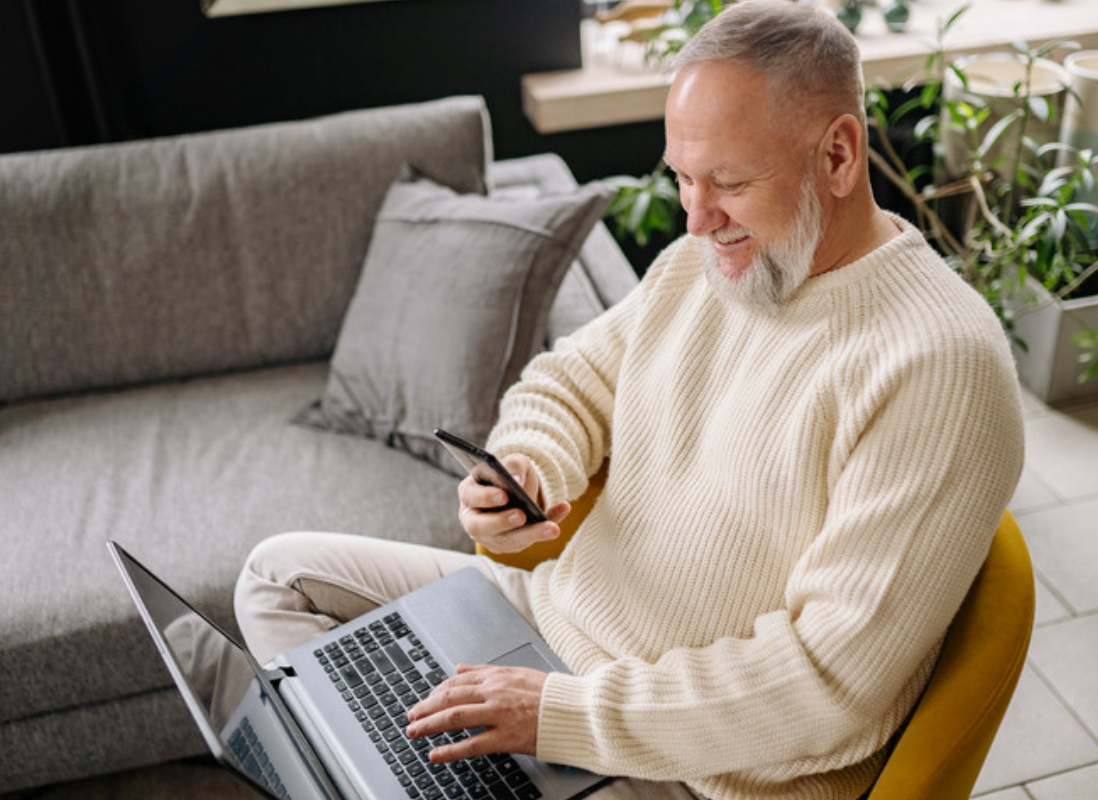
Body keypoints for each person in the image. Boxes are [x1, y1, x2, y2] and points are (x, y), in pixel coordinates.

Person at [234, 2, 1025, 798]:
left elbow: (827, 684)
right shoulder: (706, 264)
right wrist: (528, 464)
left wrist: (559, 715)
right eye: (683, 177)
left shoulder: (940, 365)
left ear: (839, 155)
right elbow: (571, 379)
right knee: (279, 577)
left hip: (698, 769)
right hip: (550, 631)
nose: (697, 217)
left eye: (729, 182)